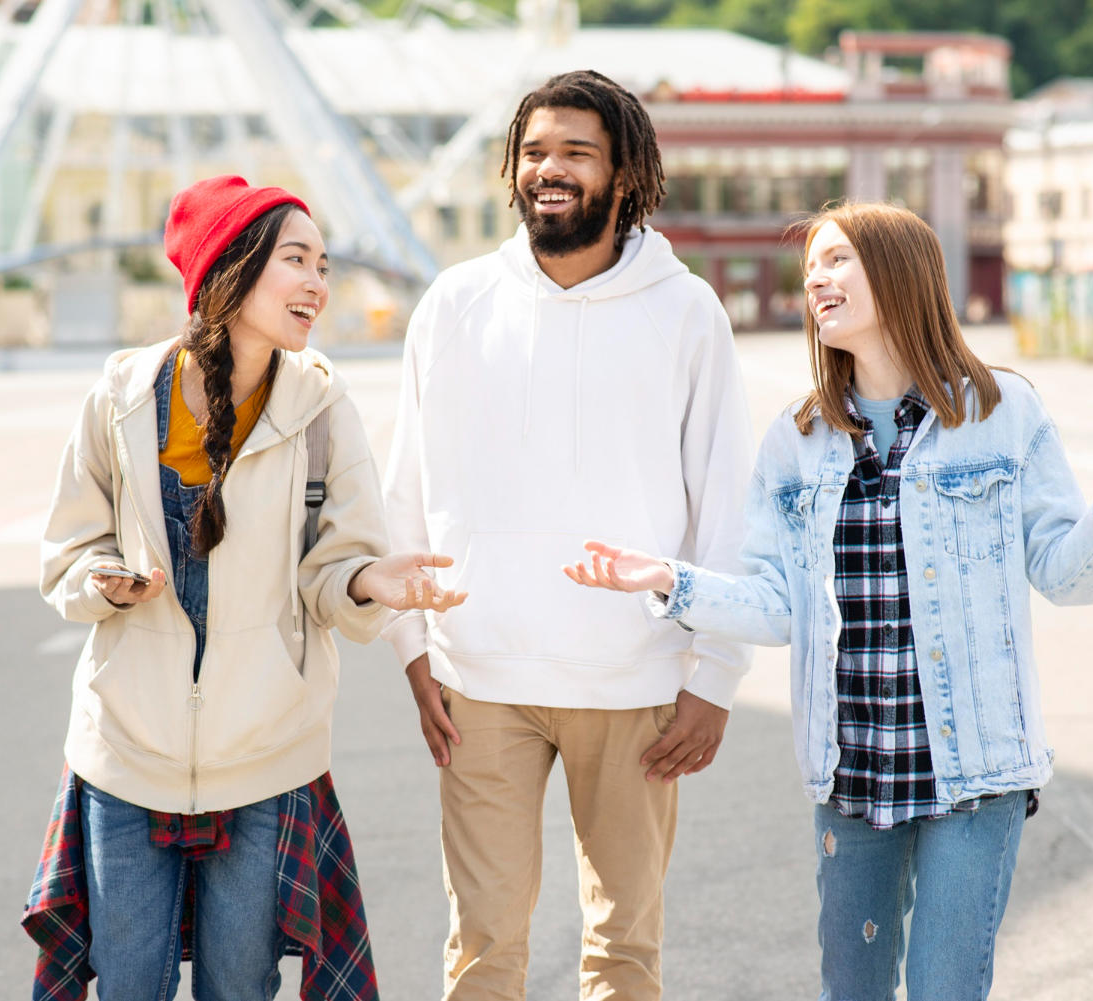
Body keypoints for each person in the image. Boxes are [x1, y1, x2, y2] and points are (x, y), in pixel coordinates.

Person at [565, 201, 1093, 1001]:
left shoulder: (999, 413)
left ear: (900, 272)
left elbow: (1064, 575)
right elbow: (776, 604)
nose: (817, 280)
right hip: (851, 774)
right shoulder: (795, 438)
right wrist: (670, 581)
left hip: (973, 776)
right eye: (812, 270)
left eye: (837, 260)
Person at [23, 175, 465, 1001]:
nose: (318, 286)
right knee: (128, 986)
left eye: (323, 266)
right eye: (295, 260)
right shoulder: (121, 399)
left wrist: (374, 578)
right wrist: (105, 583)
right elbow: (66, 555)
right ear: (229, 270)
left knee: (239, 985)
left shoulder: (322, 406)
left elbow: (337, 573)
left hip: (267, 754)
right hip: (125, 751)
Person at [381, 70, 755, 1000]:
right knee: (481, 946)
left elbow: (726, 499)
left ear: (624, 174)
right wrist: (412, 650)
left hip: (636, 677)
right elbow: (405, 486)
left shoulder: (686, 311)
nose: (550, 170)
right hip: (480, 676)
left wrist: (714, 673)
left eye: (576, 153)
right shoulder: (454, 304)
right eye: (535, 152)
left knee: (625, 950)